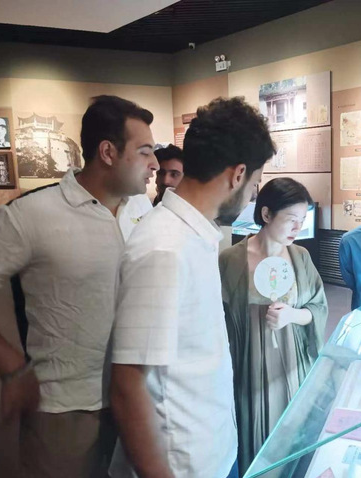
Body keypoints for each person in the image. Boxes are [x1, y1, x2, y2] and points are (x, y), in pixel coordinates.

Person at [0, 95, 157, 478]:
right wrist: (9, 366)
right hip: (65, 408)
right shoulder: (31, 215)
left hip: (138, 395)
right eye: (145, 151)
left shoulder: (140, 208)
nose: (155, 164)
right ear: (108, 152)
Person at [109, 96, 275, 478]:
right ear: (237, 175)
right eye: (255, 182)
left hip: (211, 448)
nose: (253, 194)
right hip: (183, 463)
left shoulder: (195, 235)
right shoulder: (165, 247)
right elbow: (128, 385)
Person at [219, 177, 328, 473]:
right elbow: (218, 321)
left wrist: (291, 315)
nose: (298, 228)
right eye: (291, 219)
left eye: (302, 220)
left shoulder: (300, 257)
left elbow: (318, 308)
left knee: (295, 435)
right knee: (257, 437)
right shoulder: (230, 261)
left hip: (293, 367)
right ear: (266, 214)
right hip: (250, 369)